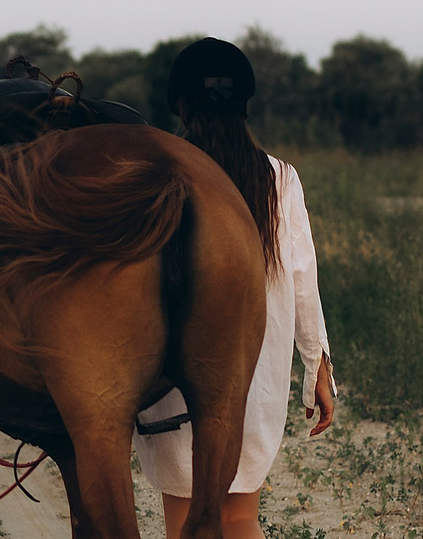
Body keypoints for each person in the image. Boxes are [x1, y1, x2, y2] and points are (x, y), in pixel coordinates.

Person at [136, 37, 337, 539]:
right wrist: (317, 364)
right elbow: (301, 279)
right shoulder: (279, 179)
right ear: (245, 105)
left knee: (182, 516)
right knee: (241, 514)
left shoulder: (162, 174)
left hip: (171, 367)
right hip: (252, 369)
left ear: (179, 104)